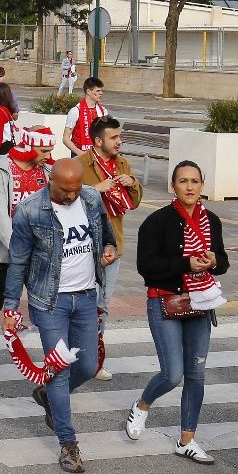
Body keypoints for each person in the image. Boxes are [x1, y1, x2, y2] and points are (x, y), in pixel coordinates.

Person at [2, 158, 110, 473]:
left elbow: (102, 231)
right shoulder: (30, 210)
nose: (71, 196)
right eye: (65, 190)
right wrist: (10, 306)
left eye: (75, 190)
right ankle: (68, 444)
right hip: (49, 302)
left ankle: (47, 393)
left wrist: (109, 248)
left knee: (88, 366)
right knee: (60, 371)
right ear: (52, 181)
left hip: (87, 297)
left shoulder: (90, 197)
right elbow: (18, 261)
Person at [129, 161, 229, 463]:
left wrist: (212, 261)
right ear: (173, 185)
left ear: (202, 186)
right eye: (183, 181)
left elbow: (223, 262)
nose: (189, 186)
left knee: (196, 374)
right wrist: (186, 264)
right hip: (165, 301)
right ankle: (143, 404)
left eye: (195, 181)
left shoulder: (212, 220)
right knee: (173, 374)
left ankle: (187, 439)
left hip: (200, 302)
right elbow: (146, 267)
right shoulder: (157, 221)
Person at [0, 126, 55, 378]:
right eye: (44, 150)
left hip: (38, 254)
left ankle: (54, 355)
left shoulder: (46, 171)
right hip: (1, 253)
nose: (48, 155)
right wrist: (19, 249)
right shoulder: (1, 170)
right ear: (28, 147)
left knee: (45, 305)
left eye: (50, 150)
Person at [80, 115, 141, 370]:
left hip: (111, 245)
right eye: (113, 137)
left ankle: (94, 357)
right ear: (97, 140)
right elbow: (65, 197)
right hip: (82, 245)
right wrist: (96, 189)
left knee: (102, 304)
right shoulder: (79, 164)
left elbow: (134, 202)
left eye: (119, 136)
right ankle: (76, 354)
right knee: (80, 302)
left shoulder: (122, 164)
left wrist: (132, 183)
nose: (119, 142)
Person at [62, 77, 108, 157]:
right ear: (88, 91)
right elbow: (65, 138)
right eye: (98, 91)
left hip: (98, 153)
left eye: (101, 91)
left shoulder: (103, 111)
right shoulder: (75, 111)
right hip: (79, 154)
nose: (101, 93)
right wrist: (79, 152)